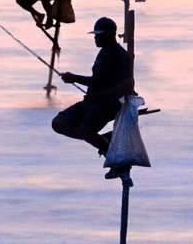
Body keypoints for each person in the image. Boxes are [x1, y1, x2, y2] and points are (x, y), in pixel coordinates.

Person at [54, 17, 135, 179]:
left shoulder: (121, 56)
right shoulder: (103, 52)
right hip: (91, 102)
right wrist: (75, 78)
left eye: (98, 34)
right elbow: (97, 80)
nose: (95, 37)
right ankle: (104, 140)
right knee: (59, 123)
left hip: (107, 105)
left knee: (86, 131)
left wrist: (103, 96)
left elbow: (128, 84)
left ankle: (115, 159)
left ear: (109, 35)